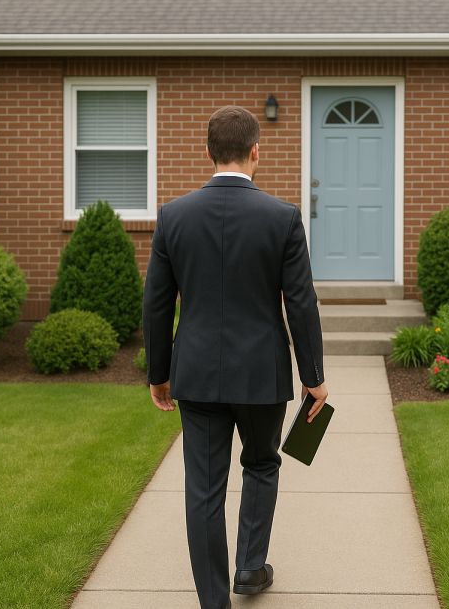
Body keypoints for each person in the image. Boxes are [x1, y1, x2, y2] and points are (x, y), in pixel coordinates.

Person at [142, 105, 329, 609]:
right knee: (263, 464)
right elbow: (301, 302)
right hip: (261, 372)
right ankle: (250, 566)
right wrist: (314, 377)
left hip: (197, 372)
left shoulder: (173, 216)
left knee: (203, 488)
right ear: (255, 153)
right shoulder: (283, 217)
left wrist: (158, 373)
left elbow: (157, 303)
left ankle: (213, 601)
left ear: (207, 152)